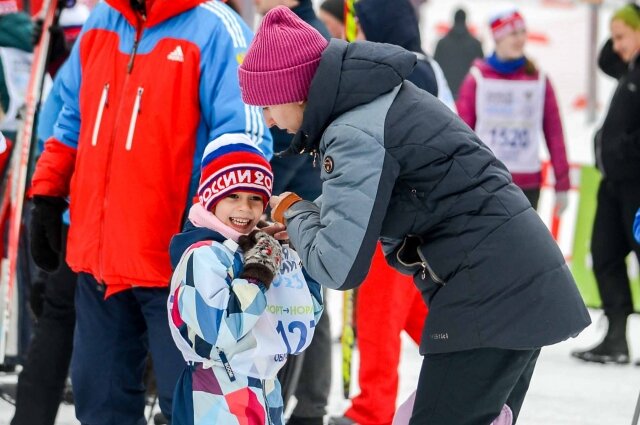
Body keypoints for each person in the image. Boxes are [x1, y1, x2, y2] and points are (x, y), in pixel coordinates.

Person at [239, 7, 591, 424]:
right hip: (515, 285)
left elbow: (337, 267)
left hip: (491, 295)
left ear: (295, 90)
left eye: (266, 105)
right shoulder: (371, 103)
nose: (268, 120)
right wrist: (305, 221)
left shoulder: (352, 130)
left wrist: (293, 207)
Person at [27, 0, 272, 423]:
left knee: (197, 409)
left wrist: (209, 223)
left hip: (182, 266)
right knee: (100, 405)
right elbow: (71, 115)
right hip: (100, 264)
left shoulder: (216, 29)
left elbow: (245, 141)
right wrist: (48, 194)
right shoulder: (103, 20)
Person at [328, 0, 444, 423]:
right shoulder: (423, 67)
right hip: (414, 213)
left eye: (361, 30)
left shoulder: (397, 73)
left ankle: (371, 408)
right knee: (415, 313)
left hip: (391, 212)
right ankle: (469, 362)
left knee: (379, 314)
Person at [168, 133, 323, 425]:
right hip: (214, 396)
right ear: (212, 198)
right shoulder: (202, 256)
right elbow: (220, 334)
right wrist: (257, 274)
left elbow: (304, 319)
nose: (245, 208)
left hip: (265, 391)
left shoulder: (257, 248)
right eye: (233, 197)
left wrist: (298, 263)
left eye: (255, 199)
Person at [252, 1, 332, 424]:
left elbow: (299, 143)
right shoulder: (289, 30)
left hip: (295, 199)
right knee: (307, 304)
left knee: (300, 303)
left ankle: (301, 406)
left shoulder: (302, 34)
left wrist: (267, 191)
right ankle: (311, 403)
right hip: (294, 197)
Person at [10, 4, 90, 424]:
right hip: (79, 213)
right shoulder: (104, 27)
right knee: (60, 316)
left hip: (86, 211)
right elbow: (60, 117)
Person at [571, 3, 640, 366]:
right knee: (605, 254)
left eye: (621, 36)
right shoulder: (628, 68)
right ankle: (615, 337)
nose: (616, 45)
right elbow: (605, 62)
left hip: (637, 185)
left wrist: (625, 151)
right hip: (614, 184)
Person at [456, 7, 570, 212]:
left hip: (527, 184)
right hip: (487, 180)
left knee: (523, 244)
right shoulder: (478, 78)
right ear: (498, 38)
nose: (520, 39)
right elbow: (461, 133)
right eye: (512, 33)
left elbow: (555, 134)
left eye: (522, 32)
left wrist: (562, 182)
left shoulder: (538, 79)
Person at [433, 8, 483, 99]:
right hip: (469, 95)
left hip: (446, 95)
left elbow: (435, 69)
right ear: (465, 19)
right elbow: (481, 71)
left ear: (454, 19)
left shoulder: (442, 44)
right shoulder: (475, 44)